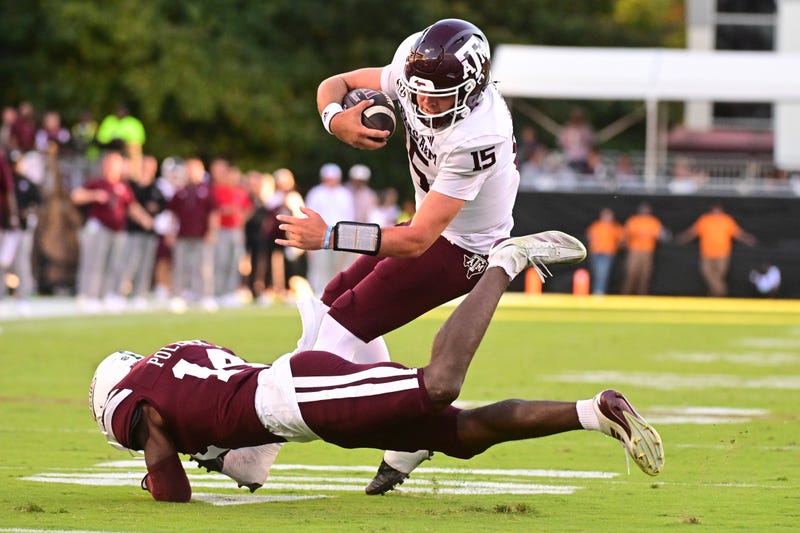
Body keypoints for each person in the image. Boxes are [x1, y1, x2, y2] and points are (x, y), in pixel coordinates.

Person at [88, 234, 664, 503]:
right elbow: (249, 461)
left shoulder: (133, 405)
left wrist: (156, 465)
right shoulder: (179, 354)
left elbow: (171, 490)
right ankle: (595, 412)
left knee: (439, 386)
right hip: (295, 391)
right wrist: (213, 451)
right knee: (459, 436)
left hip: (297, 397)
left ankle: (504, 265)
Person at [275, 18, 587, 494]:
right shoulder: (412, 67)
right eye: (418, 94)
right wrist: (336, 119)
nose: (422, 105)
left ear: (472, 89)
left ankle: (256, 439)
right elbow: (333, 84)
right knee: (328, 305)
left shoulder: (479, 135)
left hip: (462, 248)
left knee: (338, 333)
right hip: (429, 229)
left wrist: (331, 234)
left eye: (438, 98)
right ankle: (409, 430)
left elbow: (419, 241)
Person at [70, 151, 153, 312]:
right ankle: (89, 295)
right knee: (95, 263)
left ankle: (108, 295)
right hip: (100, 229)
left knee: (115, 264)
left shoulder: (122, 187)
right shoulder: (96, 183)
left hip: (118, 230)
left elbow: (132, 207)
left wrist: (145, 219)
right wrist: (94, 195)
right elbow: (76, 196)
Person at [165, 158, 219, 313]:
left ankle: (205, 296)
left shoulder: (207, 190)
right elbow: (173, 214)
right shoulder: (181, 190)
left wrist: (212, 231)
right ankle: (178, 296)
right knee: (180, 266)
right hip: (183, 234)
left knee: (203, 267)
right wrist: (171, 231)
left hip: (202, 234)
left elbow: (213, 213)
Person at [676, 202, 756, 297]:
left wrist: (747, 239)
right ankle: (722, 292)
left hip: (722, 253)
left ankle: (713, 297)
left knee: (719, 275)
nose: (716, 212)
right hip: (707, 253)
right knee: (707, 273)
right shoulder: (705, 220)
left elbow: (737, 233)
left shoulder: (727, 220)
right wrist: (683, 238)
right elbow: (693, 232)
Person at [302, 163, 355, 296]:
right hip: (319, 235)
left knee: (338, 266)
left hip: (340, 234)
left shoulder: (344, 194)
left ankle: (336, 292)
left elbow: (350, 216)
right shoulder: (316, 193)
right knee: (320, 265)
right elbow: (309, 215)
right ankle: (320, 292)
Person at [621, 202, 667, 296]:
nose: (644, 211)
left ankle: (642, 295)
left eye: (646, 209)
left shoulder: (653, 222)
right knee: (631, 272)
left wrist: (663, 234)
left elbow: (661, 235)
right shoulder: (634, 220)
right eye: (643, 209)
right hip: (635, 251)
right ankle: (626, 294)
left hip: (647, 251)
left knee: (645, 274)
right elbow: (626, 235)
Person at [585, 207, 624, 295]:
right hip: (596, 252)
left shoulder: (615, 227)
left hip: (607, 253)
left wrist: (615, 246)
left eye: (609, 215)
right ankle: (596, 290)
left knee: (603, 273)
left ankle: (599, 292)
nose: (607, 217)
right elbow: (589, 235)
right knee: (596, 273)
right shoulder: (596, 225)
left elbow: (622, 239)